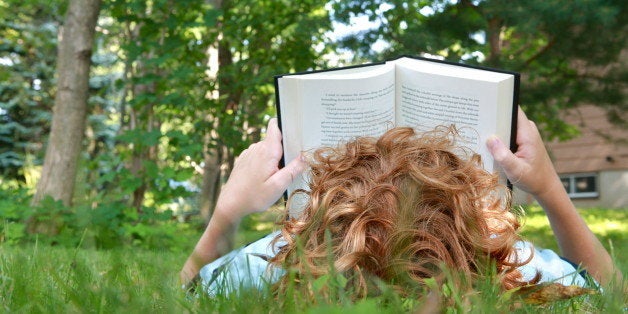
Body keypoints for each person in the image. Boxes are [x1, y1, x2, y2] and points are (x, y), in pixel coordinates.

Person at [180, 109, 620, 296]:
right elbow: (612, 291)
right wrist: (550, 191)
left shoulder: (270, 263)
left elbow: (180, 293)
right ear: (468, 222)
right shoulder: (508, 264)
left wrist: (227, 213)